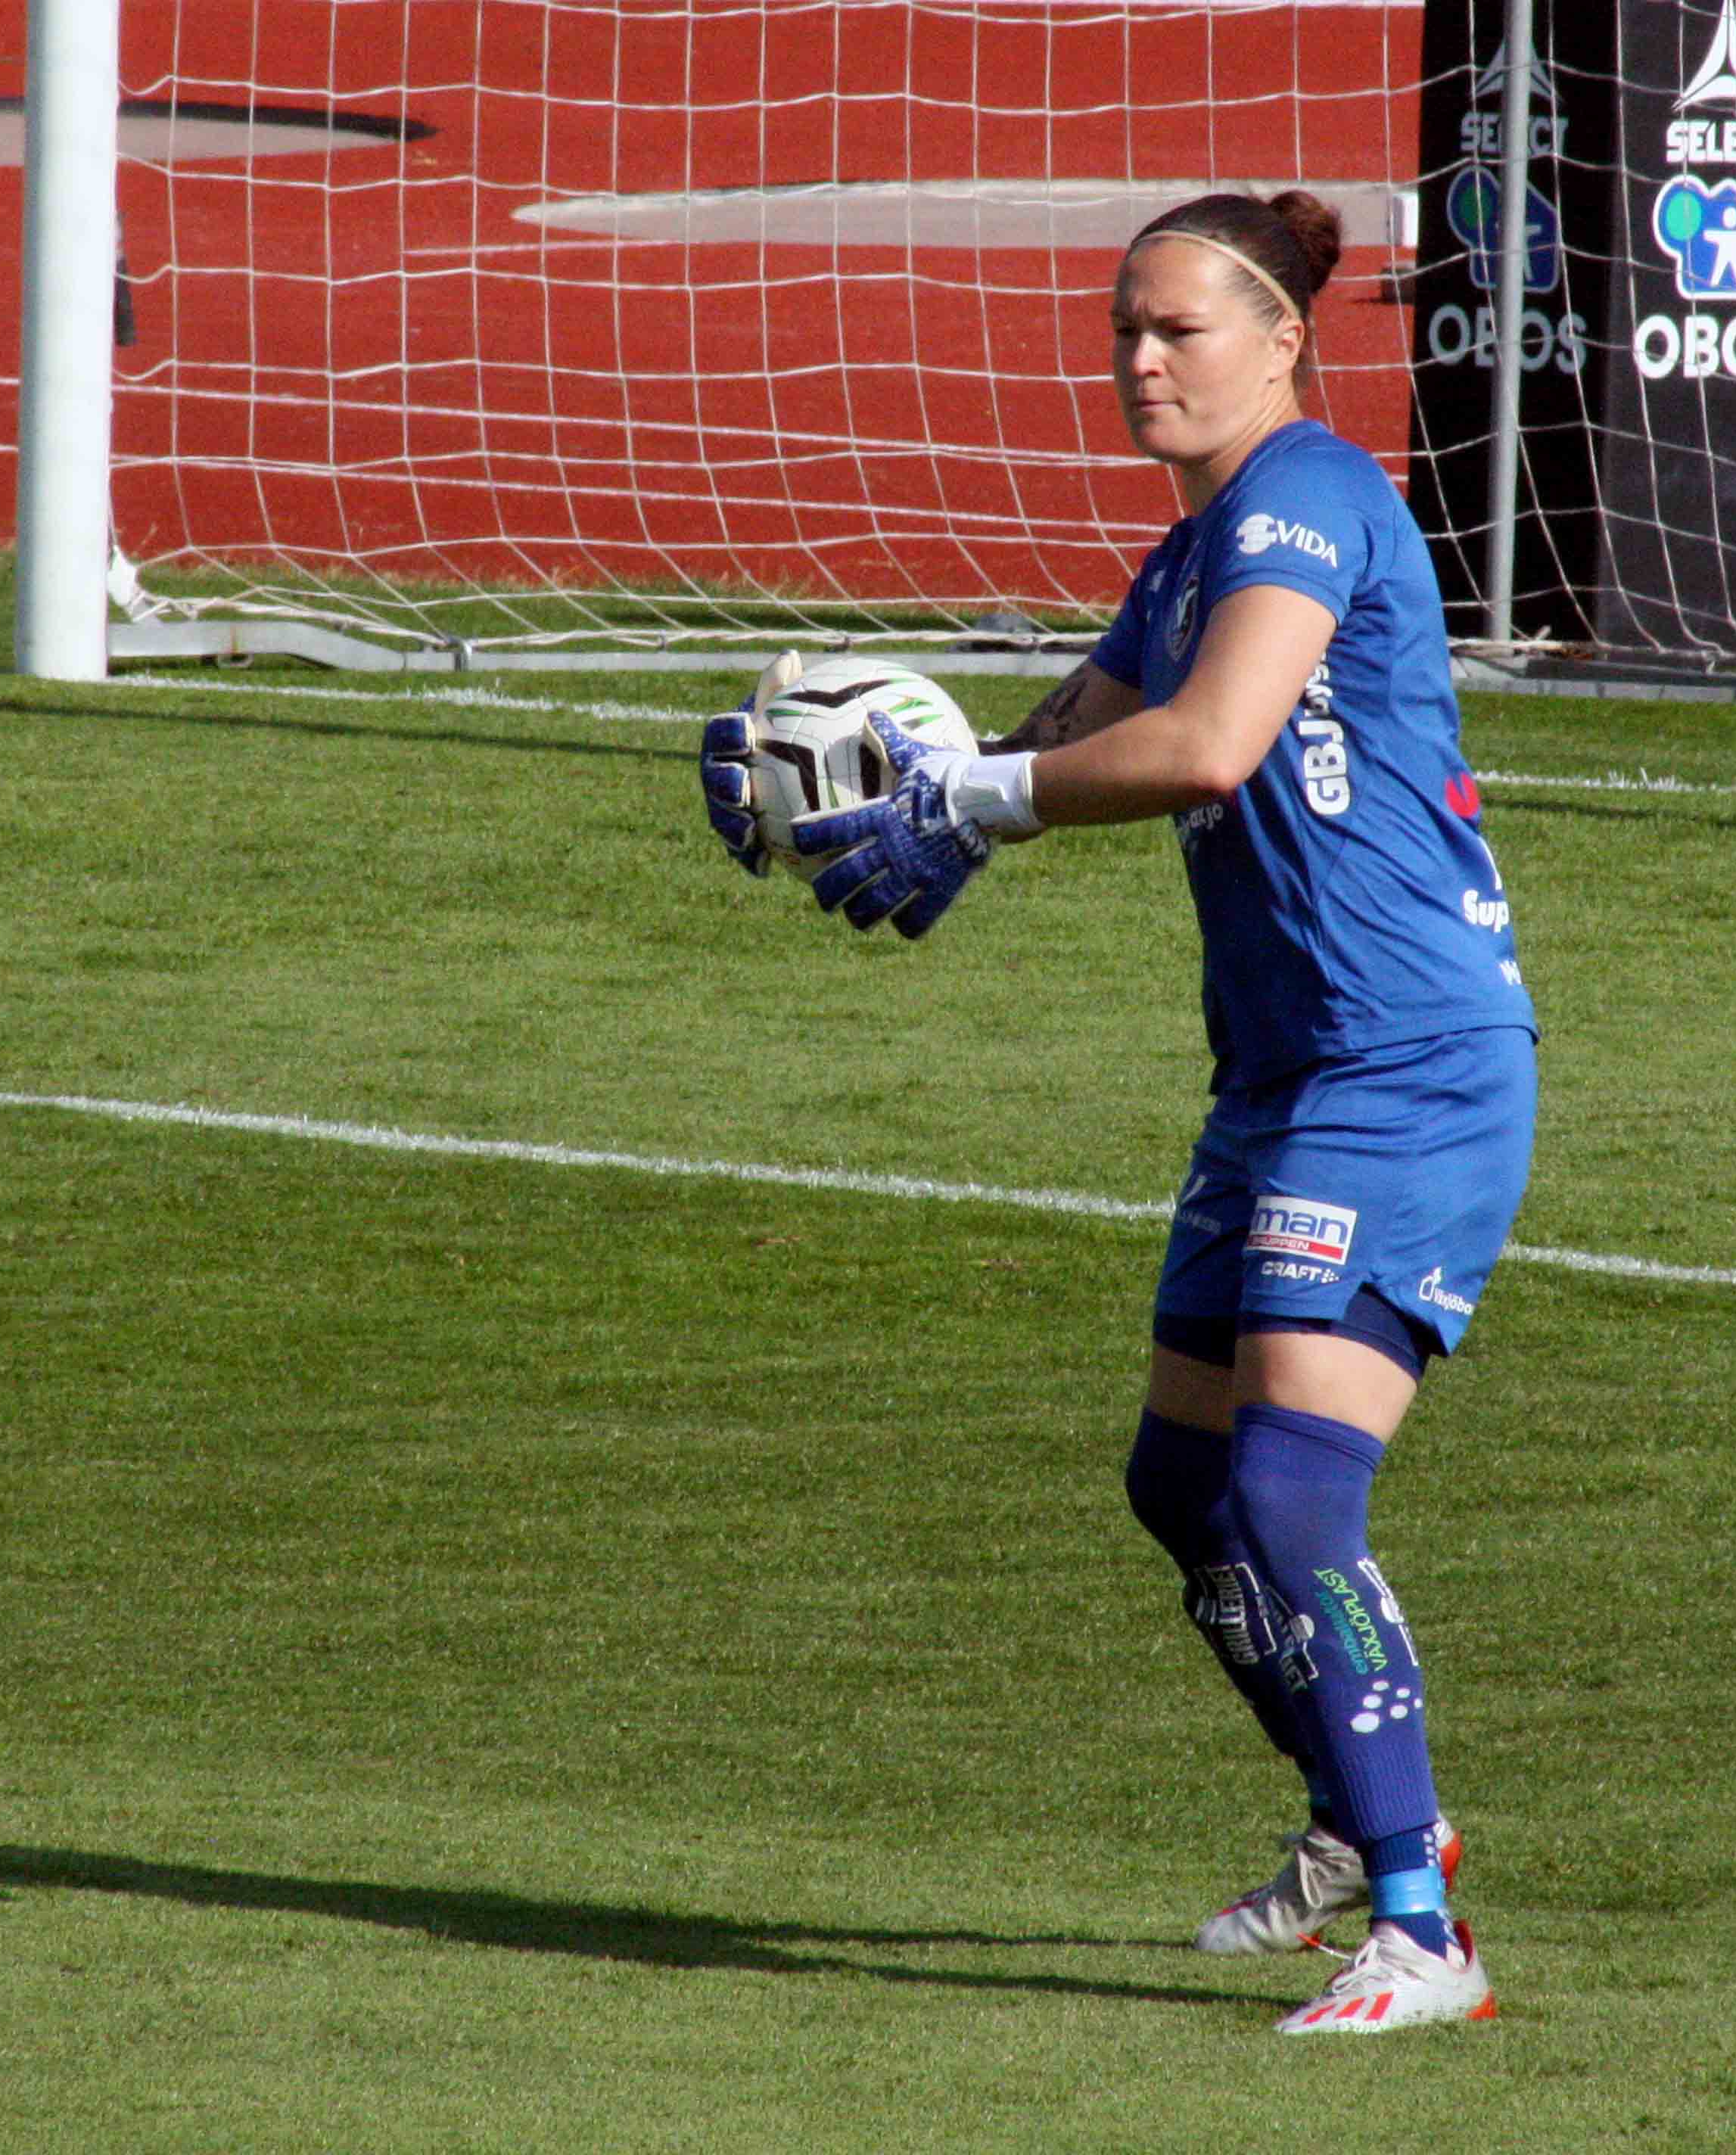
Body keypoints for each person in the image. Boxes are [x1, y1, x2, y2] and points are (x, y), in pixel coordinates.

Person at [700, 189, 1538, 2035]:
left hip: (1404, 1065)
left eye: (1179, 330)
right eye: (1123, 334)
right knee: (1183, 1481)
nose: (1142, 362)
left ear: (1284, 341)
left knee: (1291, 1485)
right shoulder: (1185, 560)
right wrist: (853, 782)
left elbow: (1207, 743)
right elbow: (1046, 741)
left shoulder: (1310, 496)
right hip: (1280, 1079)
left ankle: (1426, 1930)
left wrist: (967, 806)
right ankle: (1358, 1818)